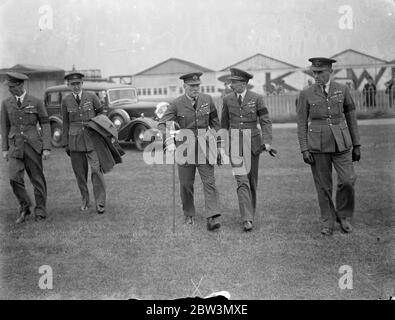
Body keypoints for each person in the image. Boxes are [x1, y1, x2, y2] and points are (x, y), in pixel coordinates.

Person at [296, 57, 361, 236]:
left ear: (330, 71)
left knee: (348, 180)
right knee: (323, 186)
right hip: (318, 146)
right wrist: (304, 148)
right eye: (314, 72)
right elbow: (301, 124)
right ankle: (328, 221)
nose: (316, 75)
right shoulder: (305, 94)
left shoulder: (343, 89)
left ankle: (344, 215)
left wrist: (356, 144)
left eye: (320, 72)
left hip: (342, 143)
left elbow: (351, 118)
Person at [158, 72, 222, 231]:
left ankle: (212, 217)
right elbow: (162, 124)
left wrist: (218, 145)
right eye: (192, 86)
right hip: (184, 148)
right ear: (184, 86)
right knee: (186, 184)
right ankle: (189, 213)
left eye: (197, 85)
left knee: (209, 182)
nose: (195, 88)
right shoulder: (176, 103)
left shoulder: (207, 100)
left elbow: (215, 123)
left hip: (205, 147)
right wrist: (169, 141)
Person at [221, 68, 273, 232]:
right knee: (241, 180)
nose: (231, 85)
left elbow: (265, 121)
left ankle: (251, 212)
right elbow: (224, 125)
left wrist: (267, 141)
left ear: (243, 83)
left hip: (253, 144)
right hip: (235, 144)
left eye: (234, 82)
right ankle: (247, 218)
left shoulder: (257, 98)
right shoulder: (227, 99)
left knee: (251, 181)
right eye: (231, 82)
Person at [1, 72, 51, 223]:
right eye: (9, 87)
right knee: (13, 178)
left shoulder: (36, 102)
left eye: (13, 87)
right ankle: (25, 206)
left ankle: (40, 210)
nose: (10, 90)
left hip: (33, 146)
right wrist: (4, 149)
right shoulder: (6, 103)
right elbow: (4, 126)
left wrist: (47, 147)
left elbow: (45, 124)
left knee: (37, 179)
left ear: (21, 85)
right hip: (15, 146)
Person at [61, 72, 106, 214]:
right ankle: (85, 200)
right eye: (72, 84)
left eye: (78, 84)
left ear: (82, 84)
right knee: (80, 174)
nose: (75, 87)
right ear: (69, 85)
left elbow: (101, 114)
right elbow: (65, 123)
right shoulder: (66, 101)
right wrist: (66, 143)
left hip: (92, 139)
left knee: (96, 170)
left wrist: (102, 133)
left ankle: (100, 203)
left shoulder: (92, 97)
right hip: (74, 140)